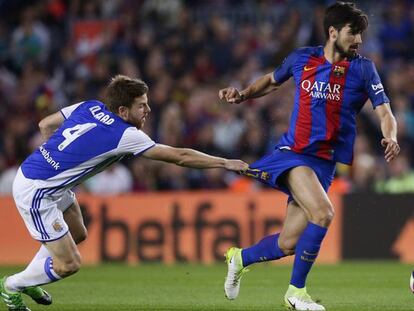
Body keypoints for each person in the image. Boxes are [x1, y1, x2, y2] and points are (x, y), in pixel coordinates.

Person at [0, 75, 248, 311]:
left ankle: (30, 282)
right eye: (142, 106)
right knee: (69, 264)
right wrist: (224, 163)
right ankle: (13, 286)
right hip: (37, 191)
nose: (148, 110)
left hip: (36, 173)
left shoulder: (90, 106)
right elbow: (179, 156)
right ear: (122, 111)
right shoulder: (125, 134)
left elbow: (46, 124)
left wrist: (55, 159)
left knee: (77, 231)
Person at [219, 2, 400, 311]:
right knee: (324, 213)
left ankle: (239, 258)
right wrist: (244, 94)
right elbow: (271, 80)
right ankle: (296, 293)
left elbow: (385, 111)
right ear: (333, 32)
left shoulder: (363, 68)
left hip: (324, 164)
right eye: (352, 33)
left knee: (287, 243)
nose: (359, 40)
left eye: (361, 34)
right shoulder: (302, 58)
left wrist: (391, 135)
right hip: (294, 154)